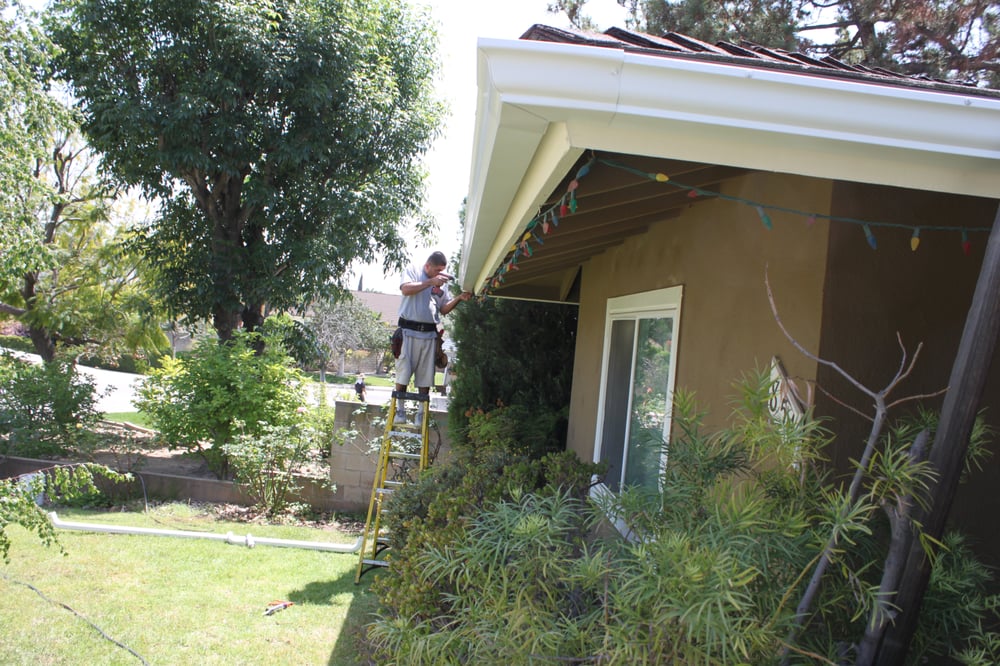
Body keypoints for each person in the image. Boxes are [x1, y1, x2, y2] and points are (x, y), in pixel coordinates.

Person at [395, 251, 471, 422]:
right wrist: (430, 282)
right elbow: (406, 289)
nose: (440, 274)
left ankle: (421, 414)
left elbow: (443, 309)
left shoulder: (442, 283)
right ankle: (400, 410)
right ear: (427, 266)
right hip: (408, 331)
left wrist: (459, 298)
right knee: (403, 371)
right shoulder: (413, 270)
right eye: (437, 270)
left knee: (425, 376)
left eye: (442, 270)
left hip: (429, 333)